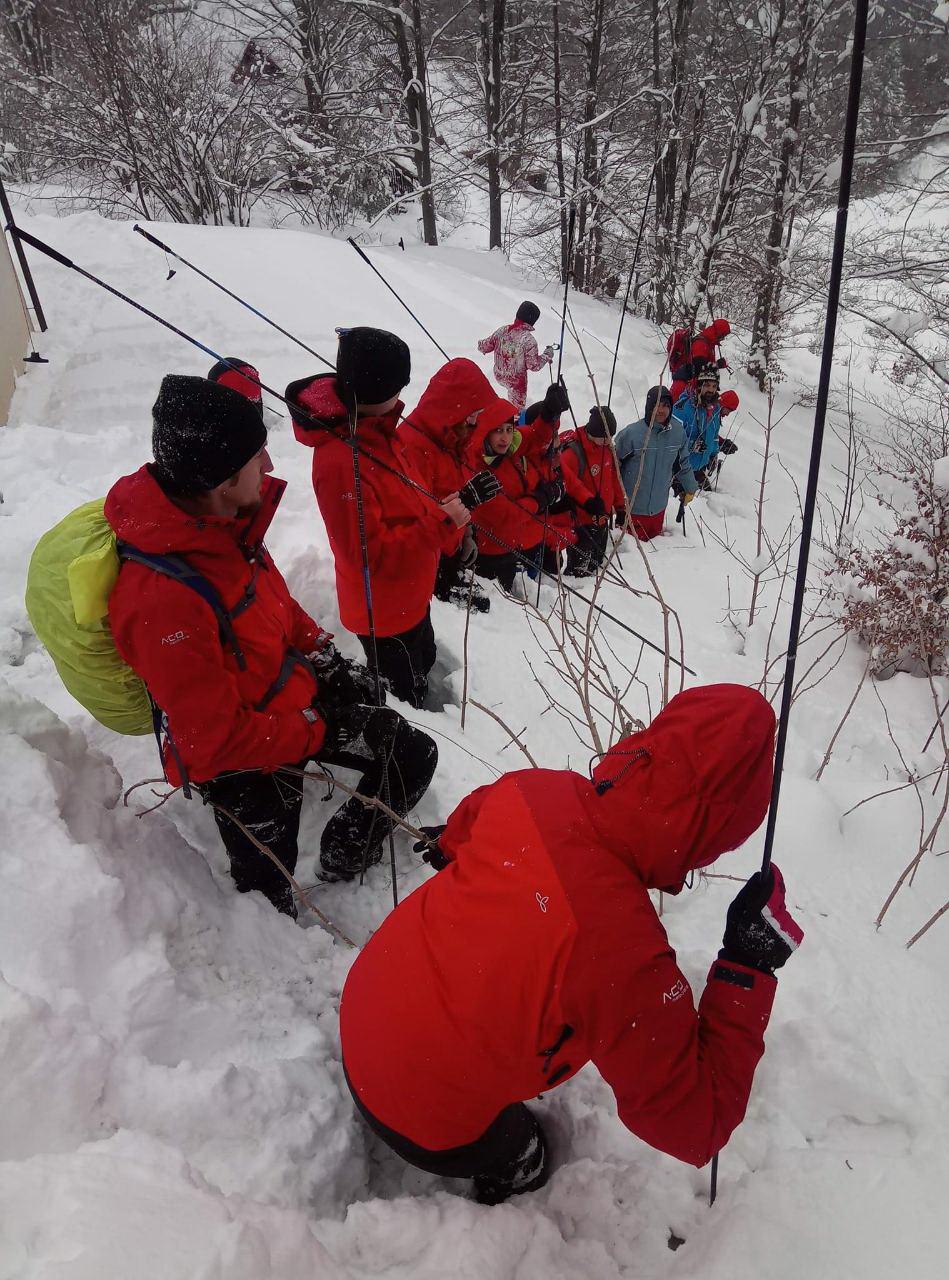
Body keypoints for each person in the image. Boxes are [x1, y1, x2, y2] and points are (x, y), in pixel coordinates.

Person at [340, 684, 802, 1205]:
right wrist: (748, 965)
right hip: (419, 1113)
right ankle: (502, 1180)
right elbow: (696, 1122)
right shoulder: (622, 952)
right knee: (526, 1148)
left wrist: (456, 850)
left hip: (360, 1011)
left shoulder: (537, 790)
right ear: (715, 835)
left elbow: (467, 821)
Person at [106, 375, 439, 901]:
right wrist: (308, 729)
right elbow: (211, 744)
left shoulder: (227, 525)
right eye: (256, 455)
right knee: (269, 888)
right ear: (221, 481)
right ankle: (274, 937)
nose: (269, 465)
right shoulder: (162, 599)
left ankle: (345, 851)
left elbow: (274, 604)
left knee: (411, 752)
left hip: (290, 704)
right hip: (245, 760)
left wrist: (321, 652)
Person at [287, 327, 470, 709]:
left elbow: (410, 497)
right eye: (398, 386)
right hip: (385, 613)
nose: (403, 394)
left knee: (424, 657)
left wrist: (447, 514)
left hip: (412, 593)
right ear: (378, 390)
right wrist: (442, 523)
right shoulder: (341, 460)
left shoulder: (381, 428)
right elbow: (368, 555)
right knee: (405, 689)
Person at [400, 358, 516, 615]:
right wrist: (466, 501)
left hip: (449, 546)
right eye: (472, 414)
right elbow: (419, 517)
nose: (475, 421)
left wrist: (466, 534)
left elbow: (451, 488)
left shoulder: (454, 440)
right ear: (453, 409)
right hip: (428, 558)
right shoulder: (412, 446)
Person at [466, 402, 564, 596]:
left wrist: (548, 415)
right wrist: (538, 500)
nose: (505, 437)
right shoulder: (478, 467)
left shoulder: (509, 450)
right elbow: (506, 515)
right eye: (498, 430)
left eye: (509, 430)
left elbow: (535, 435)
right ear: (486, 432)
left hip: (511, 545)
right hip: (489, 553)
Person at [614, 385, 698, 540]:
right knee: (632, 557)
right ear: (649, 407)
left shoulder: (677, 432)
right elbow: (614, 467)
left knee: (656, 556)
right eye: (657, 405)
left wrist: (690, 488)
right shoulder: (632, 434)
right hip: (632, 509)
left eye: (666, 406)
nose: (661, 410)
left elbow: (683, 463)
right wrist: (614, 502)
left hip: (659, 508)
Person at [557, 405, 626, 576]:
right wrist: (587, 504)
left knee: (596, 562)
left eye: (611, 437)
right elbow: (568, 486)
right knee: (579, 571)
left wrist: (620, 507)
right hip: (581, 522)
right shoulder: (574, 453)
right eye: (604, 438)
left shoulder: (608, 450)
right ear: (593, 433)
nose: (609, 441)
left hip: (602, 519)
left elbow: (614, 481)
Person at [478, 301, 555, 411]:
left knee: (503, 401)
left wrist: (480, 344)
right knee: (516, 413)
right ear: (532, 321)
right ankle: (513, 426)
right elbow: (534, 366)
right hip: (516, 383)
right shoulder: (529, 341)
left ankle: (500, 416)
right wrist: (547, 355)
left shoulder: (502, 331)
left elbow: (485, 346)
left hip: (499, 375)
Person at [673, 365, 723, 491]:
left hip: (698, 469)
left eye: (714, 386)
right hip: (678, 471)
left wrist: (713, 454)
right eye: (707, 385)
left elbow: (715, 435)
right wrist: (691, 445)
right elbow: (670, 440)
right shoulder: (682, 408)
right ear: (699, 386)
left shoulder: (715, 408)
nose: (711, 390)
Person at [668, 318, 730, 402]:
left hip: (690, 386)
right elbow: (699, 368)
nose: (723, 339)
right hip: (685, 386)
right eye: (723, 336)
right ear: (719, 333)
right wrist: (718, 364)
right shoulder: (701, 343)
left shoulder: (709, 342)